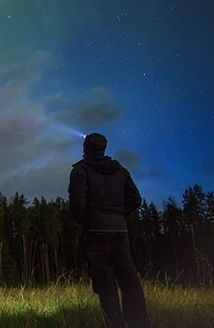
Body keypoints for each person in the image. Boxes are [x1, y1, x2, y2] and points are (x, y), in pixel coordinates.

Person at [68, 133, 150, 328]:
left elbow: (77, 203)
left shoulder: (80, 171)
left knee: (105, 283)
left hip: (95, 234)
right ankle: (140, 324)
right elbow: (135, 200)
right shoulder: (120, 171)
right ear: (104, 148)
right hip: (120, 233)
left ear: (85, 148)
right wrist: (119, 217)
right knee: (130, 281)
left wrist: (87, 220)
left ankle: (115, 324)